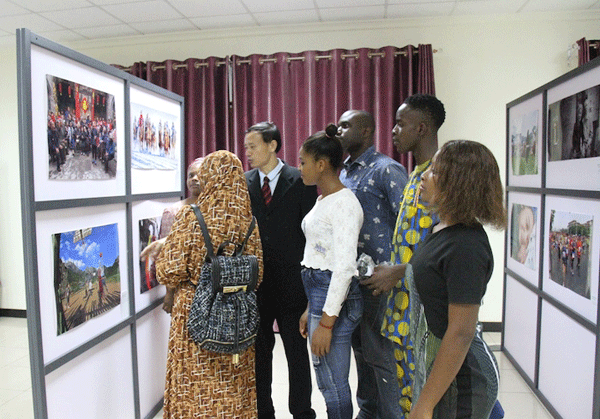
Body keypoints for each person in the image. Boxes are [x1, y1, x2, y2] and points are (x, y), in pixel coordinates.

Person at [155, 150, 263, 418]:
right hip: (237, 314)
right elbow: (257, 275)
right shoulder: (249, 221)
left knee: (193, 385)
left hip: (194, 312)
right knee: (234, 384)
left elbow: (169, 272)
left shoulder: (191, 217)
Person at [403, 140, 505, 419]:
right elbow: (433, 275)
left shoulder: (466, 246)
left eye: (435, 171)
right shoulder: (442, 228)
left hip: (464, 379)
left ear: (460, 182)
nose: (424, 175)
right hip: (445, 367)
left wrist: (424, 404)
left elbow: (461, 333)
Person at [362, 93, 445, 417]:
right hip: (403, 310)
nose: (394, 130)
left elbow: (444, 247)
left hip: (425, 314)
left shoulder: (441, 177)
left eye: (401, 123)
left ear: (422, 128)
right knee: (408, 394)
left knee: (430, 398)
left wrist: (398, 271)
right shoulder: (416, 175)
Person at [337, 110, 408, 418]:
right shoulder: (344, 173)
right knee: (362, 354)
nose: (339, 130)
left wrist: (398, 271)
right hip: (352, 282)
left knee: (381, 357)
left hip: (381, 283)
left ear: (365, 130)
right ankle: (368, 412)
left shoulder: (387, 170)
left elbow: (409, 227)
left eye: (345, 125)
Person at [244, 122, 318, 419]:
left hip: (293, 285)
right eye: (246, 146)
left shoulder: (301, 181)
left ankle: (302, 412)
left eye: (253, 146)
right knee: (259, 355)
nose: (247, 152)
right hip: (257, 285)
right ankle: (264, 412)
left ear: (272, 145)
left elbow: (313, 235)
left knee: (296, 354)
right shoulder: (244, 182)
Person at [298, 124, 364, 419]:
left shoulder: (345, 204)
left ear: (321, 164)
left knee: (333, 384)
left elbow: (344, 267)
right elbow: (319, 253)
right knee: (326, 380)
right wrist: (310, 309)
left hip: (334, 298)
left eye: (303, 162)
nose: (300, 167)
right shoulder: (324, 198)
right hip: (320, 295)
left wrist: (325, 323)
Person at [141, 157, 204, 313]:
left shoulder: (219, 209)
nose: (195, 179)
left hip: (215, 286)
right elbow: (168, 257)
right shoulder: (174, 211)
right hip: (185, 289)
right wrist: (169, 293)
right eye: (191, 175)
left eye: (200, 174)